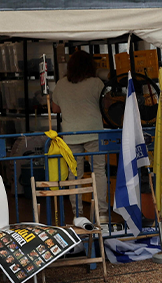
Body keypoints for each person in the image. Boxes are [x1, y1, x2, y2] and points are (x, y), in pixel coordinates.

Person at [49, 50, 109, 222]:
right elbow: (106, 105)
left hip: (71, 134)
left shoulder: (61, 84)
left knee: (74, 174)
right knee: (98, 171)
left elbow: (55, 109)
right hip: (93, 132)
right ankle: (102, 213)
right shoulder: (96, 83)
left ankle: (78, 215)